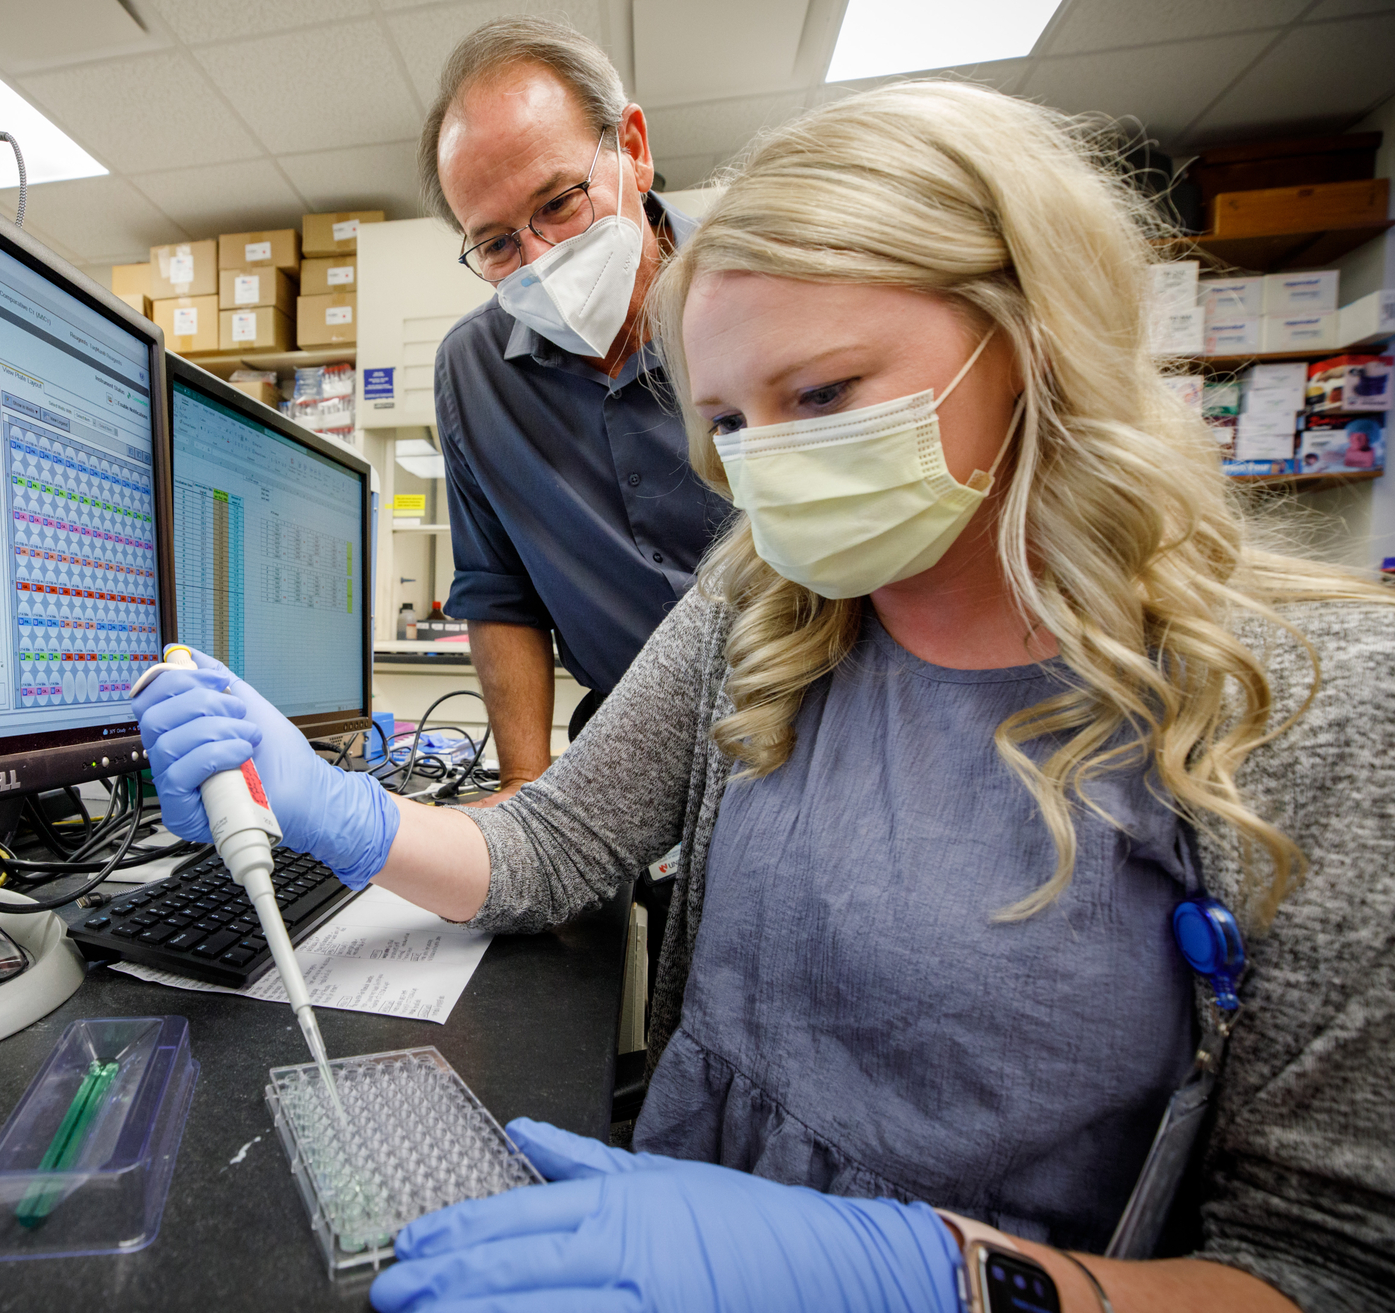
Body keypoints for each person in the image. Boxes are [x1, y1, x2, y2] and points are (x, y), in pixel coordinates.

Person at [137, 82, 1395, 1311]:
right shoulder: (760, 602)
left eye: (825, 395)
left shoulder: (1312, 708)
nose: (770, 469)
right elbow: (557, 840)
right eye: (731, 421)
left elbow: (1326, 1264)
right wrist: (330, 808)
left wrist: (944, 1277)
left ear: (1029, 335)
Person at [419, 17, 727, 804]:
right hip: (621, 760)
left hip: (810, 720)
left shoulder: (753, 296)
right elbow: (499, 590)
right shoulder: (474, 373)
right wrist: (525, 783)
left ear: (632, 146)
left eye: (559, 202)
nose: (541, 259)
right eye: (494, 244)